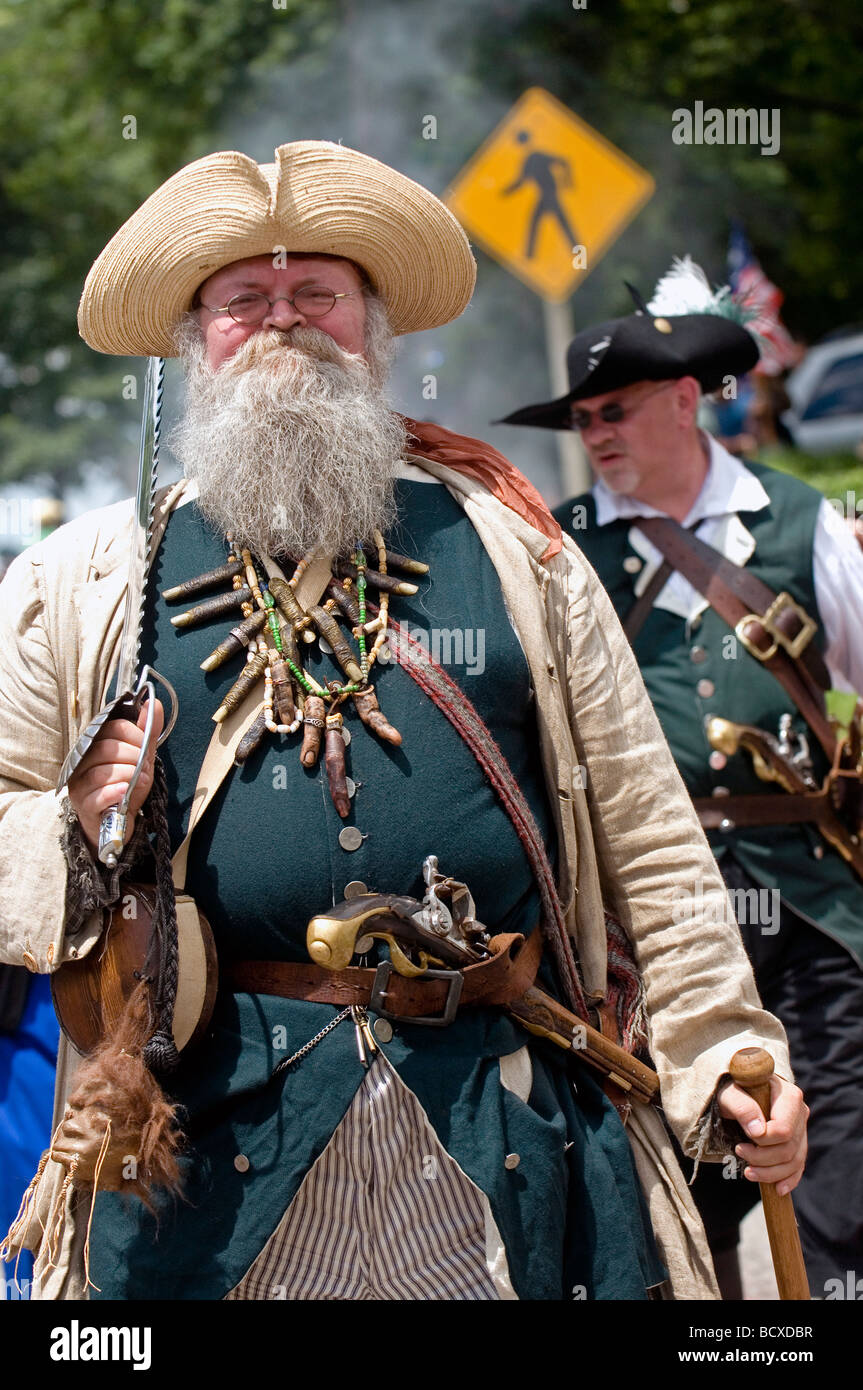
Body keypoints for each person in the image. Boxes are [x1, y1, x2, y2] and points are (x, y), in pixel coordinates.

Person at [0, 152, 805, 1302]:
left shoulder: (519, 552)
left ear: (371, 329)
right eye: (244, 303)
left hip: (495, 1125)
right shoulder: (79, 584)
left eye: (315, 296)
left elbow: (650, 835)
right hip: (203, 1164)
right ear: (195, 342)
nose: (283, 324)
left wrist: (729, 1046)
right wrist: (73, 817)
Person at [500, 258, 863, 1298]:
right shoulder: (547, 549)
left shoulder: (801, 526)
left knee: (839, 1196)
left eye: (614, 410)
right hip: (641, 932)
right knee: (684, 1207)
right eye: (581, 419)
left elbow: (854, 685)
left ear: (678, 399)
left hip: (808, 914)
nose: (596, 434)